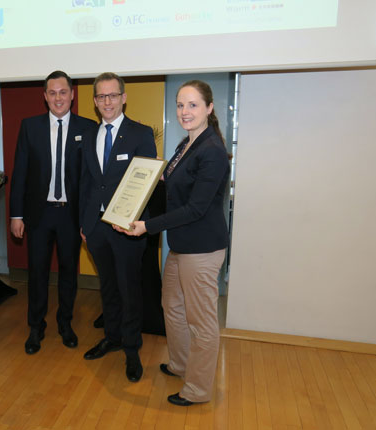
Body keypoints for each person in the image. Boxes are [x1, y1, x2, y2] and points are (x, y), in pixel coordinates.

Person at [117, 80, 230, 405]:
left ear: (209, 108)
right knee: (174, 308)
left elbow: (195, 208)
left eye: (193, 105)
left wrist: (146, 226)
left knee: (202, 322)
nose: (185, 111)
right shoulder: (187, 144)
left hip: (203, 249)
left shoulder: (212, 151)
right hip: (181, 245)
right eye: (181, 105)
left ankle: (198, 389)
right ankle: (181, 365)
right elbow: (172, 182)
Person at [10, 71, 97, 354]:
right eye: (52, 92)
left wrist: (89, 218)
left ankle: (65, 323)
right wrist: (16, 215)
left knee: (70, 272)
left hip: (71, 215)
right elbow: (20, 173)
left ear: (72, 95)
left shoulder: (89, 128)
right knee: (37, 274)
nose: (58, 97)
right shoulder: (30, 127)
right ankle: (36, 327)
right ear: (45, 96)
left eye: (63, 92)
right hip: (39, 214)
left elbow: (92, 179)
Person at [79, 72, 157, 382]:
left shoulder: (140, 133)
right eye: (101, 96)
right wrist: (85, 225)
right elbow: (86, 182)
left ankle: (132, 348)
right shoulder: (88, 135)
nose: (107, 101)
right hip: (96, 228)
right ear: (95, 101)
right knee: (108, 287)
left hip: (127, 228)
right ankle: (111, 337)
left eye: (112, 95)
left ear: (124, 97)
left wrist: (135, 222)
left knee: (129, 290)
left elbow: (146, 183)